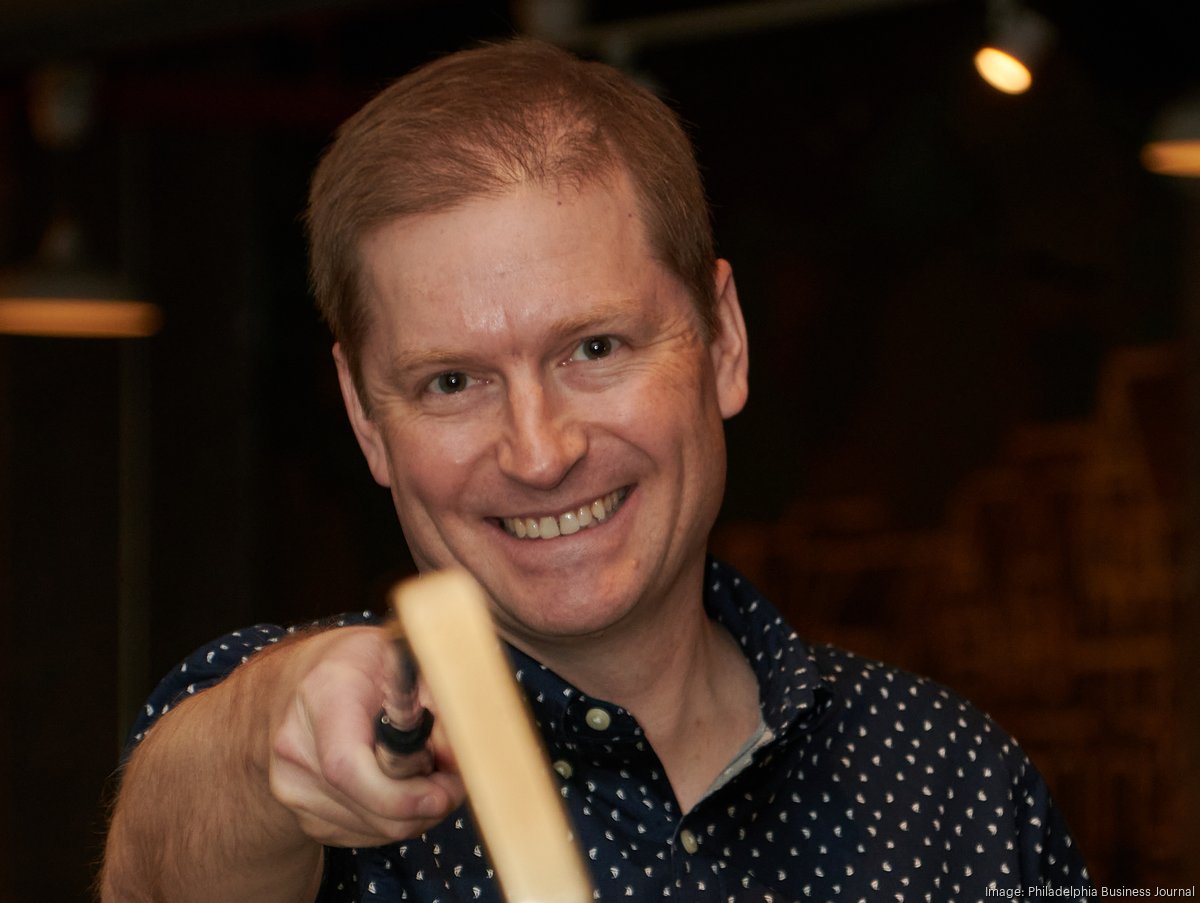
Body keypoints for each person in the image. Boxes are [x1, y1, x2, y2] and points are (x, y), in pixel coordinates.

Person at [100, 38, 1091, 902]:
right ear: (366, 419)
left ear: (724, 340)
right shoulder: (313, 737)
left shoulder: (956, 783)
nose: (540, 454)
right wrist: (267, 736)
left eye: (595, 349)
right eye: (452, 381)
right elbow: (165, 867)